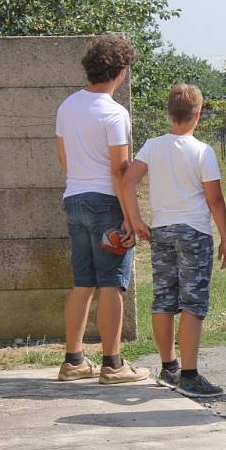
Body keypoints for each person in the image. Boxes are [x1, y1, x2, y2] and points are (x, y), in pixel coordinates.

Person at [121, 84, 226, 398]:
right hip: (194, 231)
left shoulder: (153, 146)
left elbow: (128, 181)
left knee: (164, 299)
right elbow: (216, 200)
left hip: (162, 231)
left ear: (169, 114)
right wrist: (225, 238)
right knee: (193, 304)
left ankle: (169, 366)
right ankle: (191, 375)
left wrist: (137, 219)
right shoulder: (203, 151)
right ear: (197, 115)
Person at [55, 34, 149, 384]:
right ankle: (113, 363)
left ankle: (74, 360)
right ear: (120, 71)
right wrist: (130, 216)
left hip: (74, 198)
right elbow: (120, 172)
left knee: (83, 283)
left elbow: (65, 158)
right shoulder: (114, 113)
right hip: (105, 202)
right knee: (112, 283)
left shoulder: (67, 106)